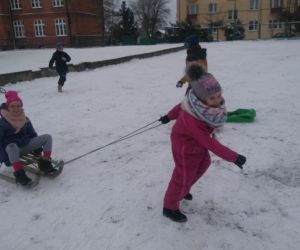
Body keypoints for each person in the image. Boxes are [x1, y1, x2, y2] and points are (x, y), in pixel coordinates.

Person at [159, 63, 246, 222]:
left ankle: (183, 190)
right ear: (201, 98)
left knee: (204, 163)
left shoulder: (196, 102)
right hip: (185, 146)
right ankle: (169, 206)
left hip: (195, 143)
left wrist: (169, 116)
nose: (218, 100)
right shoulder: (194, 119)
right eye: (212, 98)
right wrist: (234, 157)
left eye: (219, 95)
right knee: (183, 175)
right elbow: (209, 142)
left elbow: (180, 106)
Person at [0, 91, 57, 186]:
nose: (16, 109)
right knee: (11, 146)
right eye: (13, 106)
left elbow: (32, 133)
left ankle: (45, 163)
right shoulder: (2, 123)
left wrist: (37, 147)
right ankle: (19, 174)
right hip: (11, 151)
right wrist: (3, 157)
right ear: (8, 107)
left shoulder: (24, 119)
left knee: (47, 137)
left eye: (18, 106)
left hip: (25, 145)